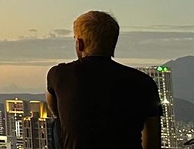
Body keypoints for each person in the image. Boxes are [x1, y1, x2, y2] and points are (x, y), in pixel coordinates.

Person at [46, 11, 163, 149]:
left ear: (79, 44)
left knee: (56, 124)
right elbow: (153, 139)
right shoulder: (144, 82)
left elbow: (53, 107)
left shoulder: (59, 74)